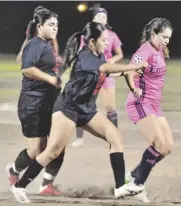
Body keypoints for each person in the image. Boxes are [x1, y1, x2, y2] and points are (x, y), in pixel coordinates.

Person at [10, 21, 147, 203]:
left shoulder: (96, 56)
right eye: (103, 40)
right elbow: (105, 68)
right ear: (91, 42)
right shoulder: (86, 56)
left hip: (86, 109)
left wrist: (127, 75)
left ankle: (120, 187)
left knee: (116, 137)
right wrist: (134, 66)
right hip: (68, 108)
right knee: (52, 152)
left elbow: (106, 72)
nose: (107, 43)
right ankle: (19, 186)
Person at [6, 9, 64, 197]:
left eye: (56, 25)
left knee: (56, 144)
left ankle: (47, 184)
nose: (55, 28)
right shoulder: (34, 44)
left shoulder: (47, 45)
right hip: (33, 103)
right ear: (39, 27)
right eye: (50, 24)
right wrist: (51, 79)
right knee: (36, 149)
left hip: (49, 102)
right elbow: (27, 69)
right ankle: (14, 170)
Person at [124, 18, 174, 202]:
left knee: (167, 147)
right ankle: (136, 185)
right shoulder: (145, 50)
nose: (166, 41)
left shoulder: (159, 50)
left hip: (154, 105)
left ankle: (132, 176)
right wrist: (133, 88)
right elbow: (130, 70)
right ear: (153, 34)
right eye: (163, 37)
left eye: (169, 37)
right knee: (158, 143)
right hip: (140, 102)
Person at [72, 7, 123, 147]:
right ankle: (79, 139)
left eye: (104, 16)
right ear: (93, 19)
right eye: (98, 16)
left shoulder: (112, 35)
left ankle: (114, 138)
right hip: (90, 75)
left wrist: (112, 61)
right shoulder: (86, 36)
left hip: (106, 74)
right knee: (81, 104)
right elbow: (81, 53)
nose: (101, 18)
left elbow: (119, 54)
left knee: (110, 107)